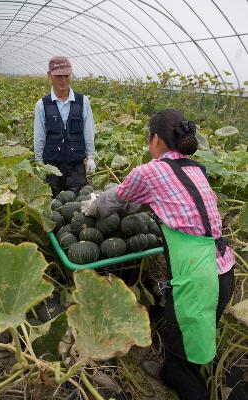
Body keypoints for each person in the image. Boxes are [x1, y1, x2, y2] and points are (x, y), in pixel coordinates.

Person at [81, 109, 235, 400]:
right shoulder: (195, 168)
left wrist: (93, 207)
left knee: (183, 356)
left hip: (197, 279)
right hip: (224, 271)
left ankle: (184, 384)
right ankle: (169, 374)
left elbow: (113, 201)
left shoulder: (149, 171)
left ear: (155, 140)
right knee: (191, 340)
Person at [34, 56, 96, 196]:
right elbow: (39, 135)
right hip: (52, 166)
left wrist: (91, 156)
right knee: (53, 204)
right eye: (58, 76)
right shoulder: (42, 104)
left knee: (78, 205)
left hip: (76, 165)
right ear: (49, 75)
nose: (63, 80)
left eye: (66, 75)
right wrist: (39, 162)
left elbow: (88, 131)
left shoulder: (83, 101)